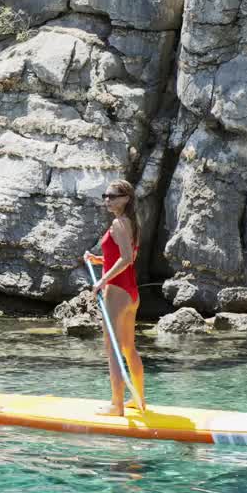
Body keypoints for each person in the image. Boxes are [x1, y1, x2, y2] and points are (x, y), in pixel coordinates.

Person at [83, 179, 145, 417]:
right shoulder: (132, 223)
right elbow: (123, 256)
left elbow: (127, 258)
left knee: (112, 350)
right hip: (131, 292)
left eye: (113, 196)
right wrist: (99, 260)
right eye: (105, 196)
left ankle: (116, 406)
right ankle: (138, 400)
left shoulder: (119, 223)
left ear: (126, 198)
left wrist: (102, 280)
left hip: (117, 291)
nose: (107, 200)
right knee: (129, 348)